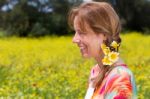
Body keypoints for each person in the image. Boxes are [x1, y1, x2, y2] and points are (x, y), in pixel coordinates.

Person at [68, 1, 137, 99]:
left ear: (104, 34)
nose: (74, 39)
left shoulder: (120, 78)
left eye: (82, 32)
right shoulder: (96, 71)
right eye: (75, 32)